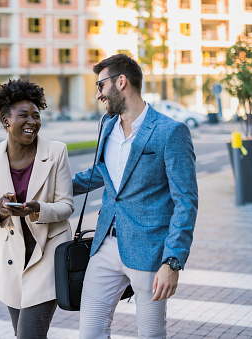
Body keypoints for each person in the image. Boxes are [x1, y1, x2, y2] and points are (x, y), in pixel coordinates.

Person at [73, 54, 198, 338]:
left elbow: (186, 201)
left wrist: (172, 261)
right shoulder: (107, 127)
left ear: (121, 82)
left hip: (150, 252)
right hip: (105, 247)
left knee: (151, 334)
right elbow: (100, 174)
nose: (98, 94)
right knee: (89, 333)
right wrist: (49, 185)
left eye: (101, 85)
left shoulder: (171, 132)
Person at [0, 79, 74, 338]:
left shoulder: (56, 152)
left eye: (36, 115)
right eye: (23, 115)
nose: (32, 122)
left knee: (29, 335)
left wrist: (37, 209)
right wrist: (1, 211)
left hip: (47, 257)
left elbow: (66, 206)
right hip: (11, 262)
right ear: (6, 120)